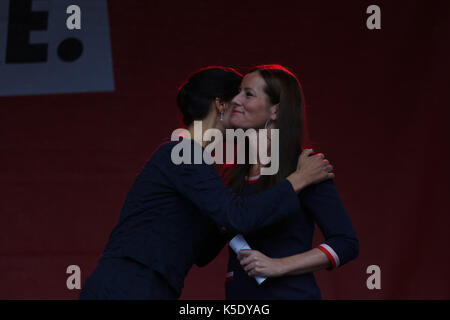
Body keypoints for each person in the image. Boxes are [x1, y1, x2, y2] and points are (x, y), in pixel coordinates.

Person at [78, 66, 334, 300]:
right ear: (221, 104)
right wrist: (299, 179)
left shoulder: (197, 164)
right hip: (129, 286)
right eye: (240, 98)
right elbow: (238, 217)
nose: (243, 106)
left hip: (152, 288)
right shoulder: (181, 154)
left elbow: (203, 251)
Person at [223, 64, 359, 299]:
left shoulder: (306, 167)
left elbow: (346, 243)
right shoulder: (232, 174)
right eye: (237, 91)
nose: (235, 100)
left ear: (275, 110)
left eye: (248, 94)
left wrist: (279, 265)